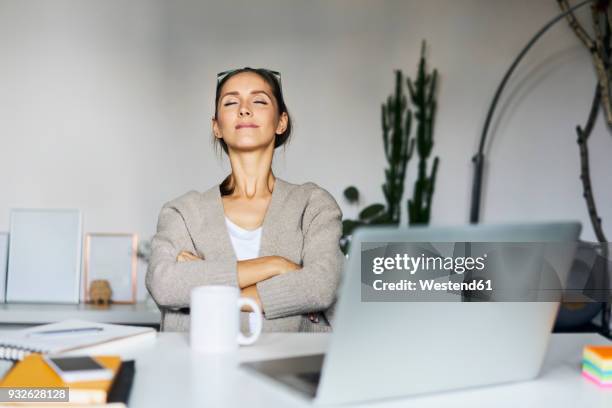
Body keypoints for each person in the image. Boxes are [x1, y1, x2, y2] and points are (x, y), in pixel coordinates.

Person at [146, 67, 345, 332]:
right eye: (230, 102)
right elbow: (165, 284)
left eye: (259, 100)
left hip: (291, 368)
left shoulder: (313, 205)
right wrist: (276, 265)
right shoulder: (182, 212)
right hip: (198, 368)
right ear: (216, 126)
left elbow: (320, 286)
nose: (244, 109)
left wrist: (207, 284)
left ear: (281, 122)